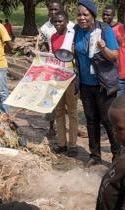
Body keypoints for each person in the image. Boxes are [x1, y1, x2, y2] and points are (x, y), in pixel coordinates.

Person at [74, 0, 121, 167]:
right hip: (86, 85)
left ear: (93, 16)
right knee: (91, 119)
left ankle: (117, 157)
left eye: (85, 14)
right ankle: (95, 155)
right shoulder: (76, 30)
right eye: (79, 14)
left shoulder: (105, 30)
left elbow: (114, 56)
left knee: (108, 120)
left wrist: (103, 48)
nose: (81, 18)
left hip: (103, 84)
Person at [40, 0, 75, 137]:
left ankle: (71, 134)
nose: (53, 13)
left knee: (70, 107)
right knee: (52, 101)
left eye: (56, 10)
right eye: (51, 10)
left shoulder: (72, 27)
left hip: (69, 70)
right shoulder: (45, 29)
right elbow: (45, 46)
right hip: (53, 68)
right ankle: (51, 126)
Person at [51, 11, 79, 157]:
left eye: (60, 21)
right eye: (55, 22)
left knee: (73, 113)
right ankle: (62, 143)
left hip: (71, 79)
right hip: (57, 79)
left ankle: (73, 145)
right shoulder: (53, 37)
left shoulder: (72, 36)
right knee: (59, 112)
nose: (57, 24)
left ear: (67, 22)